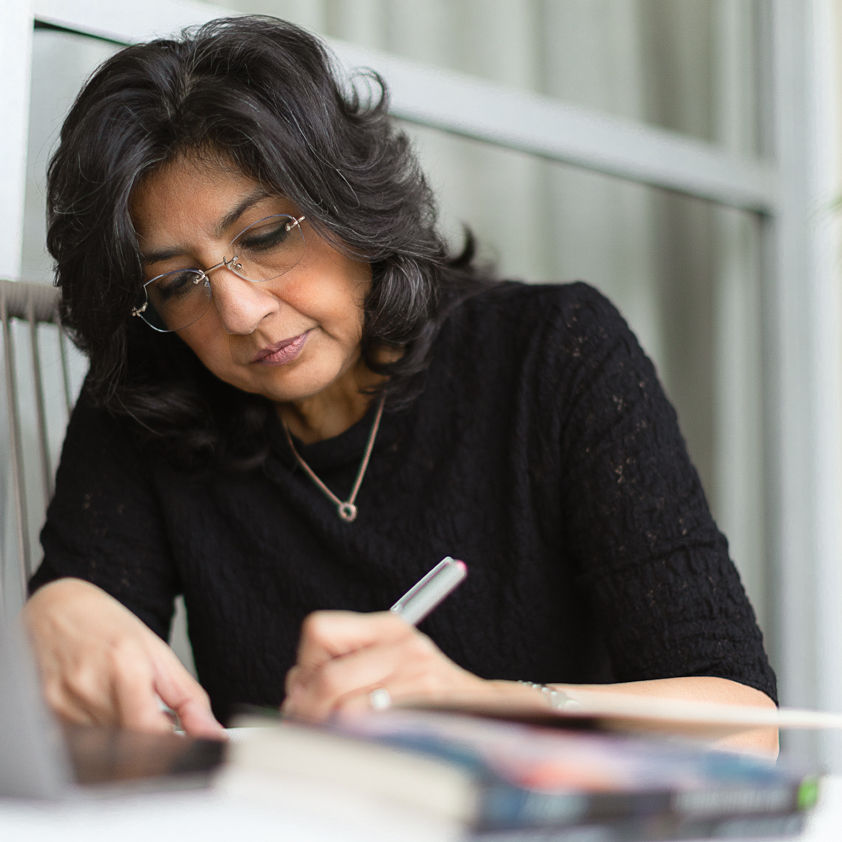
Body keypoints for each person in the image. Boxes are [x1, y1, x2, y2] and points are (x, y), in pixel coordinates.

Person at [23, 15, 778, 753]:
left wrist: (481, 705)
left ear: (349, 204)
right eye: (180, 282)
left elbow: (745, 727)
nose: (242, 311)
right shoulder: (157, 392)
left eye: (266, 236)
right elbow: (73, 680)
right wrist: (57, 612)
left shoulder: (554, 352)